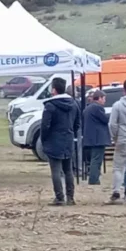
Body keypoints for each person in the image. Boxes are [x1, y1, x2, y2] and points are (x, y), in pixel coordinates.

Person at [41, 77, 80, 206]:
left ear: (53, 90)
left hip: (54, 140)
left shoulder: (50, 106)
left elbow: (45, 125)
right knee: (68, 170)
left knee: (56, 170)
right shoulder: (74, 104)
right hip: (68, 139)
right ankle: (70, 197)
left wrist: (44, 138)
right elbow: (77, 123)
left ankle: (59, 197)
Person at [82, 89, 110, 187]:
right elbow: (105, 120)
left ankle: (94, 177)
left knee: (94, 158)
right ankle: (94, 178)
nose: (104, 101)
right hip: (98, 138)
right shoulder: (97, 108)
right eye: (104, 98)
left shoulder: (88, 108)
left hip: (90, 138)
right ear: (99, 98)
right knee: (96, 159)